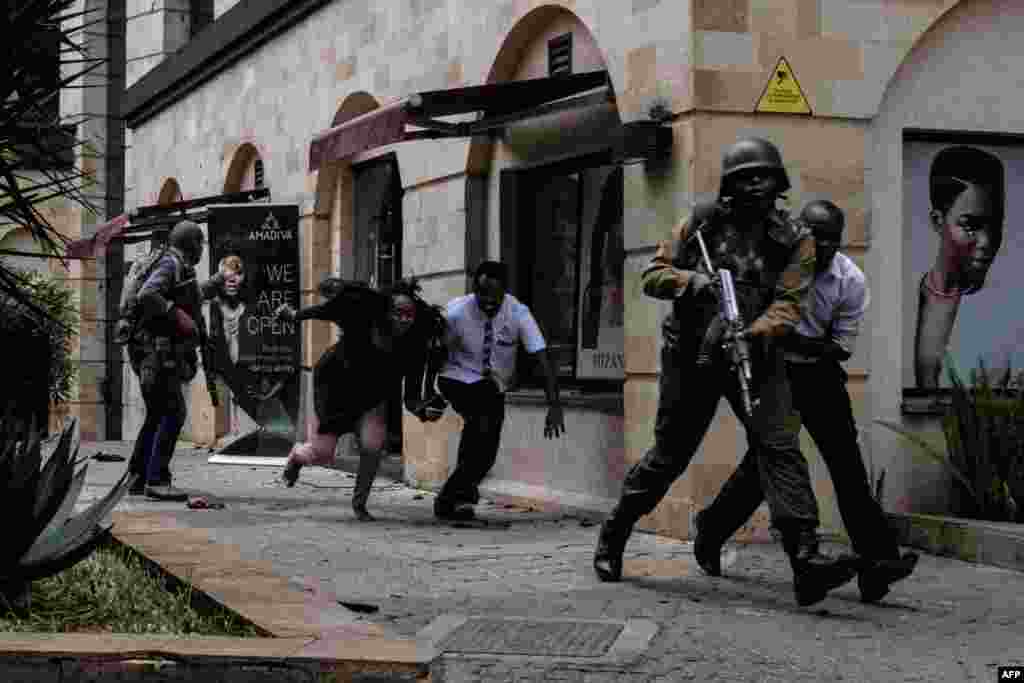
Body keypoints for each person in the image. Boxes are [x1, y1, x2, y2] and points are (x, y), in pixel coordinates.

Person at [592, 138, 859, 607]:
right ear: (729, 184)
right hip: (692, 355)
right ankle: (615, 532)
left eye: (765, 176)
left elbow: (789, 305)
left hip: (756, 351)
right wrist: (695, 282)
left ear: (779, 182)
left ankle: (805, 558)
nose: (756, 185)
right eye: (745, 176)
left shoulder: (795, 237)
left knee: (779, 447)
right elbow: (653, 274)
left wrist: (753, 333)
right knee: (670, 456)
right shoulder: (702, 222)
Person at [694, 200, 919, 603]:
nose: (825, 246)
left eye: (833, 239)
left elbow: (840, 349)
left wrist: (795, 340)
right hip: (772, 368)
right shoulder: (770, 263)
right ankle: (711, 530)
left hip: (819, 372)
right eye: (816, 237)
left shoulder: (850, 280)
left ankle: (877, 563)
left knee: (847, 466)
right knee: (765, 470)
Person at [274, 277, 446, 521]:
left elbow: (411, 399)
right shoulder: (364, 316)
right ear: (387, 311)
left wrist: (424, 411)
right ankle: (297, 457)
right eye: (398, 313)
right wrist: (293, 316)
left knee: (373, 445)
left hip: (372, 396)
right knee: (322, 453)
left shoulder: (414, 347)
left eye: (410, 315)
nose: (404, 320)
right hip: (334, 388)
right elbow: (327, 311)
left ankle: (359, 504)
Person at [433, 260, 566, 522]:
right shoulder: (456, 312)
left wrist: (554, 404)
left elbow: (541, 357)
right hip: (456, 379)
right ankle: (448, 498)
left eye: (495, 296)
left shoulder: (518, 312)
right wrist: (427, 392)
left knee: (483, 447)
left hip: (492, 386)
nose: (489, 303)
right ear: (474, 290)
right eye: (482, 295)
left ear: (504, 291)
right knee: (481, 430)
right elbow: (432, 354)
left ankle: (462, 499)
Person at [126, 220, 223, 501]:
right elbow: (149, 295)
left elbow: (187, 297)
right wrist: (177, 316)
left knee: (157, 414)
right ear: (191, 243)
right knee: (174, 413)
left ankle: (137, 476)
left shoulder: (174, 264)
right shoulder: (171, 263)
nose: (202, 249)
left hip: (151, 354)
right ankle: (157, 480)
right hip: (160, 354)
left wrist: (215, 283)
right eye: (200, 243)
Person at [914, 146, 1005, 389]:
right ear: (937, 221)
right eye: (970, 226)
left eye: (995, 226)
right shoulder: (905, 298)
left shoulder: (1003, 309)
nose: (987, 242)